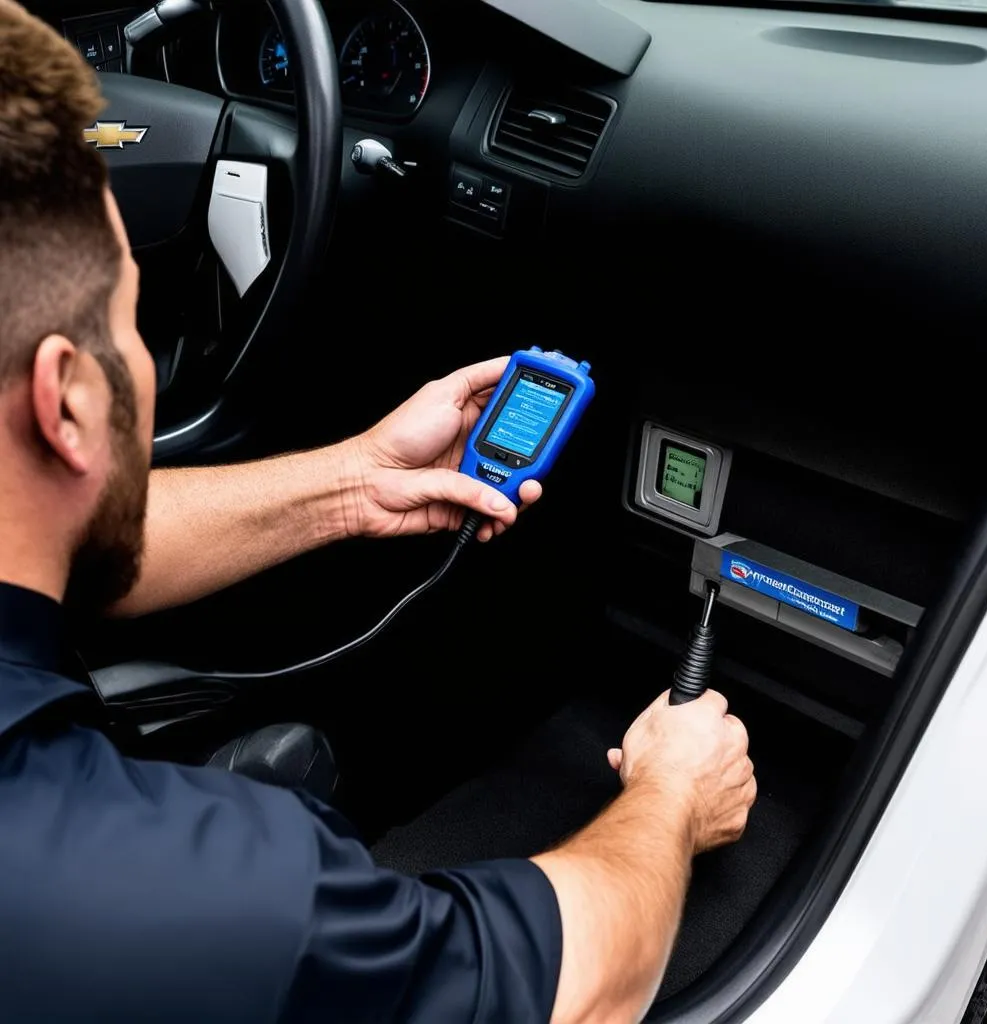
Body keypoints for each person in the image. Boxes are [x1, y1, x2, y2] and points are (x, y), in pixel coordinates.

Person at [0, 3, 757, 1022]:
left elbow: (56, 542)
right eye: (130, 317)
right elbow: (575, 987)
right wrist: (671, 795)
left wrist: (355, 483)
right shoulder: (174, 888)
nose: (136, 344)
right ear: (67, 401)